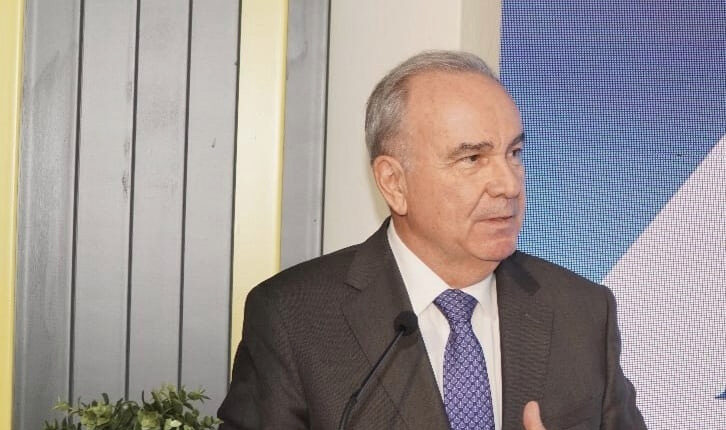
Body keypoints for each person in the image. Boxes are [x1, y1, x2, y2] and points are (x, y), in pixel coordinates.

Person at [217, 50, 646, 430]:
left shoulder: (582, 311)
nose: (509, 184)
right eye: (472, 158)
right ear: (394, 182)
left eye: (514, 154)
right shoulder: (294, 318)